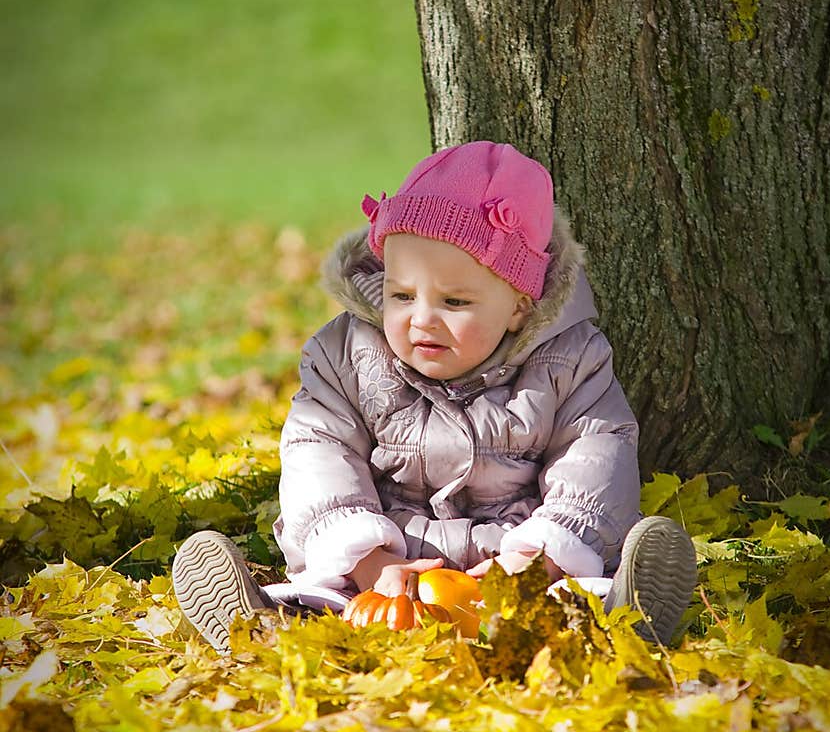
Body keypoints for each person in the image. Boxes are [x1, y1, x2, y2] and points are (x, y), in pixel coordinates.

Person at [172, 141, 697, 655]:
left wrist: (538, 561)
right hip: (382, 560)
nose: (422, 318)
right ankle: (260, 628)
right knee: (327, 603)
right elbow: (319, 453)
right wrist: (370, 562)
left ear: (518, 306)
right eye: (402, 295)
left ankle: (626, 618)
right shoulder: (348, 355)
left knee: (566, 602)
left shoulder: (569, 361)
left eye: (454, 301)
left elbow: (595, 455)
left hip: (513, 556)